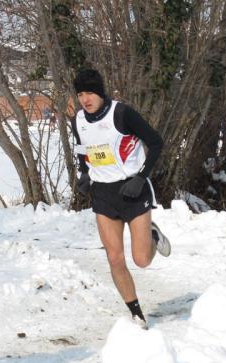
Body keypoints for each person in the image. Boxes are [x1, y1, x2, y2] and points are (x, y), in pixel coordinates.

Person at [72, 68, 171, 329]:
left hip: (133, 189)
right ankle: (136, 313)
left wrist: (141, 177)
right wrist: (84, 173)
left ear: (101, 92)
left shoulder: (122, 113)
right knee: (115, 259)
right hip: (103, 194)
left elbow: (157, 142)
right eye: (80, 94)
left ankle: (152, 236)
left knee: (141, 259)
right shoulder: (78, 120)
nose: (85, 99)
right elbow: (83, 148)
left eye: (90, 92)